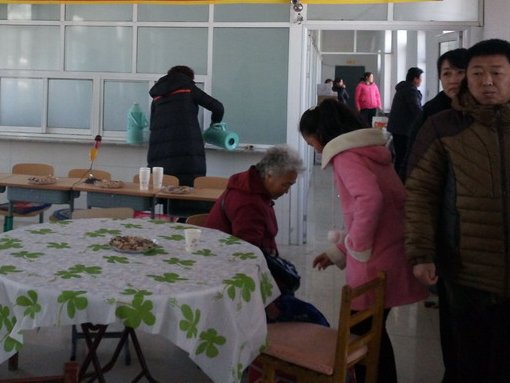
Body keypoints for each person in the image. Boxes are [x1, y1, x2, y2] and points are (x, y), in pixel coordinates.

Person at [404, 39, 510, 383]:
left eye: (496, 72)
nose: (486, 81)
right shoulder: (443, 128)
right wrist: (421, 254)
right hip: (467, 278)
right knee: (470, 370)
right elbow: (420, 194)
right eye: (477, 73)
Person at [299, 99, 428, 383]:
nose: (316, 150)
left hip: (373, 261)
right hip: (390, 253)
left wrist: (356, 247)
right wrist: (339, 250)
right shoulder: (370, 152)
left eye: (312, 144)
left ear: (321, 135)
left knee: (361, 338)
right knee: (373, 333)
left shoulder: (346, 157)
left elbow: (370, 201)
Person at [205, 145, 328, 325]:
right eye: (285, 185)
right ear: (269, 175)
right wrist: (268, 301)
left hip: (247, 269)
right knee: (316, 320)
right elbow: (247, 259)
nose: (287, 191)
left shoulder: (252, 187)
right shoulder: (249, 204)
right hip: (230, 279)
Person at [403, 48, 467, 383]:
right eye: (446, 74)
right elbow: (415, 179)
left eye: (460, 72)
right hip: (446, 226)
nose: (453, 80)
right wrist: (422, 250)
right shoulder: (433, 115)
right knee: (455, 319)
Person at [147, 65, 224, 187]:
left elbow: (152, 125)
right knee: (188, 189)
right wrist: (214, 125)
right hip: (187, 149)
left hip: (159, 150)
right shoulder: (188, 88)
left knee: (162, 188)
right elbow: (218, 107)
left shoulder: (157, 95)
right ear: (188, 77)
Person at [386, 66, 423, 177]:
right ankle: (400, 178)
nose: (421, 81)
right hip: (403, 129)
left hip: (398, 128)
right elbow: (416, 109)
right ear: (415, 79)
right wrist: (426, 119)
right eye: (420, 78)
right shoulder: (410, 91)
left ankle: (398, 177)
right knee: (403, 156)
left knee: (400, 155)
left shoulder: (404, 89)